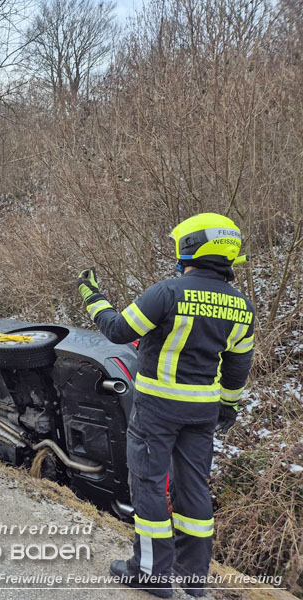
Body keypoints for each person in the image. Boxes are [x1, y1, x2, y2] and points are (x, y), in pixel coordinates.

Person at [76, 213, 255, 598]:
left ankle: (150, 574)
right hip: (203, 411)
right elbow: (239, 365)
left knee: (150, 485)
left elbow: (119, 330)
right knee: (194, 490)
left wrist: (92, 296)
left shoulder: (168, 292)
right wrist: (229, 405)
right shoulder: (242, 307)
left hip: (157, 409)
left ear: (189, 247)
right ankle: (193, 578)